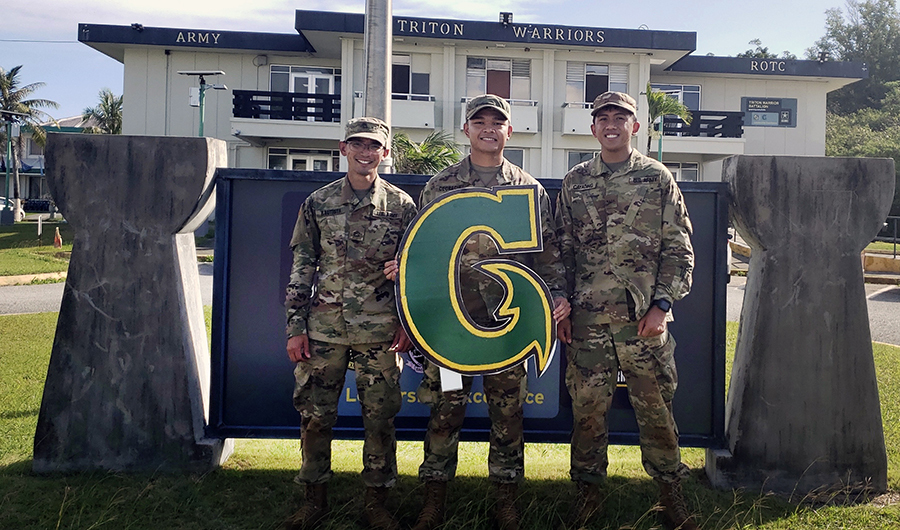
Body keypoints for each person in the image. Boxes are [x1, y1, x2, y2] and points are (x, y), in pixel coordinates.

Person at [386, 94, 570, 530]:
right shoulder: (440, 186)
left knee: (507, 415)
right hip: (450, 328)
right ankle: (434, 500)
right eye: (480, 121)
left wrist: (558, 293)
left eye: (498, 122)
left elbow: (548, 256)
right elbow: (422, 250)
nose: (489, 128)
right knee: (445, 411)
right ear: (466, 129)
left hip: (506, 328)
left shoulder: (529, 190)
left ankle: (506, 502)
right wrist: (405, 276)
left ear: (510, 131)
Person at [555, 91, 697, 530]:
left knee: (656, 414)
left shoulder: (657, 178)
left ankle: (672, 501)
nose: (611, 124)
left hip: (643, 325)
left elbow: (679, 248)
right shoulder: (575, 180)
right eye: (603, 118)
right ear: (593, 128)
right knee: (588, 415)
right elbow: (560, 249)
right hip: (587, 325)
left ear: (635, 126)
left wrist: (662, 305)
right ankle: (587, 502)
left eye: (621, 117)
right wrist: (561, 301)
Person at [284, 117, 417, 530]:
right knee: (315, 416)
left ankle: (376, 503)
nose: (365, 152)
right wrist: (295, 326)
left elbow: (416, 271)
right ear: (343, 149)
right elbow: (302, 265)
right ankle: (313, 501)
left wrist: (406, 322)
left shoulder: (401, 206)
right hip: (323, 330)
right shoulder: (318, 202)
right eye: (357, 144)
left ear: (385, 153)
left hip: (379, 331)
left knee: (379, 419)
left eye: (373, 145)